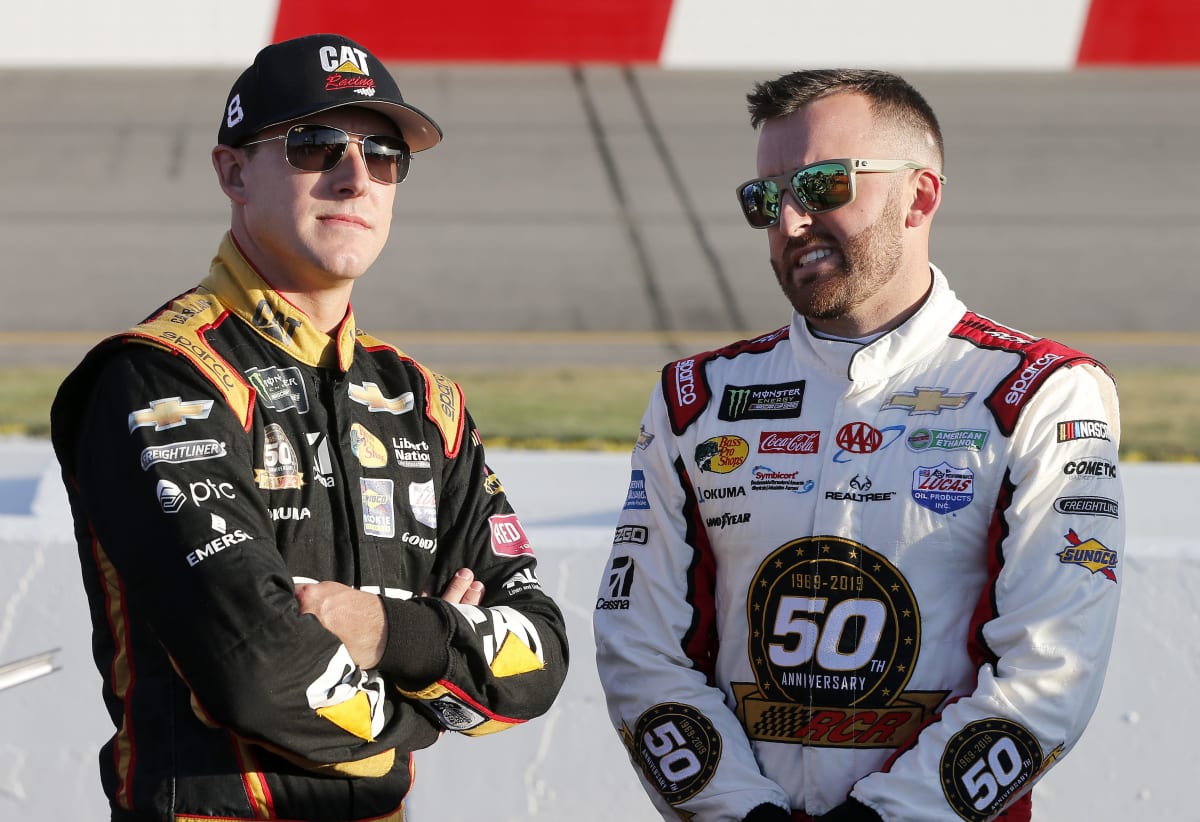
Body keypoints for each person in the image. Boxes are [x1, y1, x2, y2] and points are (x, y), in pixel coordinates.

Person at [51, 33, 568, 822]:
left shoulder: (426, 403)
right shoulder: (159, 379)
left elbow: (540, 656)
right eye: (314, 143)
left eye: (385, 154)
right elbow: (256, 670)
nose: (355, 176)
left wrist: (386, 630)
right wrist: (430, 695)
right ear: (233, 172)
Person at [593, 69, 1123, 822]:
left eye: (822, 185)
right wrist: (743, 814)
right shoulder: (696, 399)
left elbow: (1051, 670)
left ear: (921, 195)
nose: (790, 222)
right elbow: (638, 646)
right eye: (766, 200)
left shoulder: (1042, 391)